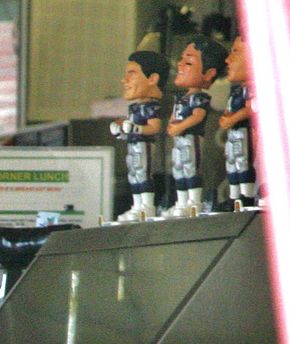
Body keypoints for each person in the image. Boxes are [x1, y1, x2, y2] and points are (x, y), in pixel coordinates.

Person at [164, 36, 226, 218]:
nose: (180, 64)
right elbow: (174, 115)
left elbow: (198, 116)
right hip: (179, 140)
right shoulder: (180, 98)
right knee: (178, 169)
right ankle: (181, 201)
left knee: (191, 168)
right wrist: (172, 125)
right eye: (181, 59)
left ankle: (194, 201)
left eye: (189, 62)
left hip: (191, 139)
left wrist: (180, 126)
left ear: (209, 74)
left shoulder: (200, 98)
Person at [110, 49, 168, 222]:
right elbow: (130, 129)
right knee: (134, 175)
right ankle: (137, 205)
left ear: (152, 79)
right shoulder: (134, 108)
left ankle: (147, 206)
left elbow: (154, 127)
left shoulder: (151, 107)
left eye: (132, 73)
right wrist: (121, 132)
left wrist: (135, 129)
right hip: (133, 146)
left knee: (143, 174)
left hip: (144, 146)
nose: (124, 80)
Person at [217, 34, 257, 208]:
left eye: (236, 52)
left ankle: (247, 196)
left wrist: (233, 118)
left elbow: (252, 107)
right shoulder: (237, 91)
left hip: (246, 134)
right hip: (234, 135)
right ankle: (234, 198)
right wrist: (227, 117)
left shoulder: (255, 89)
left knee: (244, 163)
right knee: (233, 164)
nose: (228, 59)